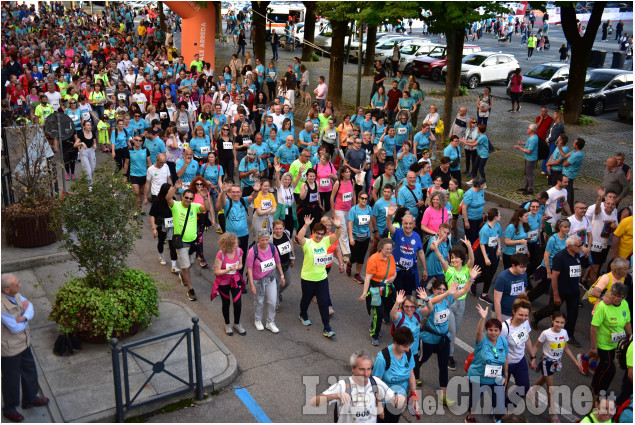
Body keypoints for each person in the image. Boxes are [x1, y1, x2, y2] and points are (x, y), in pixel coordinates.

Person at [1, 273, 49, 423]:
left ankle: (30, 399)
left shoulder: (15, 294)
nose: (20, 286)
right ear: (6, 290)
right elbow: (14, 328)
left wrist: (24, 317)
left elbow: (30, 306)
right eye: (17, 285)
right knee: (11, 380)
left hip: (24, 342)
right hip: (9, 349)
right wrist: (25, 314)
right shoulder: (1, 306)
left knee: (30, 370)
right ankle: (9, 409)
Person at [309, 350, 404, 423]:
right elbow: (313, 402)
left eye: (369, 369)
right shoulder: (343, 385)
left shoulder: (376, 382)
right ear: (353, 369)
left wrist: (399, 400)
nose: (366, 374)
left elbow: (395, 402)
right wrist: (336, 396)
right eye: (362, 369)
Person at [429, 237, 480, 371]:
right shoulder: (449, 270)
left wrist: (469, 246)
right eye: (452, 258)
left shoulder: (466, 270)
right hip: (449, 303)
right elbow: (441, 258)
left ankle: (439, 342)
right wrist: (436, 248)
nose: (453, 260)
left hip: (461, 303)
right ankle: (449, 356)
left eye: (456, 258)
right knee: (451, 331)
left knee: (455, 330)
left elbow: (472, 260)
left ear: (462, 259)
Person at [418, 280, 471, 406]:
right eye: (439, 289)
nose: (441, 292)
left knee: (443, 366)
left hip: (444, 339)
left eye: (443, 289)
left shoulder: (447, 300)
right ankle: (414, 376)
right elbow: (431, 303)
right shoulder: (428, 299)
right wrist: (447, 292)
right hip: (428, 338)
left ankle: (444, 395)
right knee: (421, 360)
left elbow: (463, 291)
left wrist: (471, 279)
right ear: (433, 290)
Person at [530, 311, 584, 423]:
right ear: (552, 320)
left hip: (557, 362)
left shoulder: (564, 332)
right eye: (557, 322)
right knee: (551, 389)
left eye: (562, 322)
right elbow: (535, 346)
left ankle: (532, 391)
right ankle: (553, 415)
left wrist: (576, 363)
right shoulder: (546, 333)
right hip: (547, 362)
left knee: (545, 378)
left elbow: (566, 349)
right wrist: (533, 359)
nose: (559, 325)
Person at [533, 235, 584, 348]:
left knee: (573, 313)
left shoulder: (577, 255)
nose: (581, 247)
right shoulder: (560, 257)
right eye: (579, 245)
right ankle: (536, 316)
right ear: (570, 246)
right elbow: (555, 277)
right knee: (553, 308)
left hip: (574, 290)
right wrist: (556, 295)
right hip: (561, 289)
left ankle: (569, 335)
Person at [297, 215, 342, 338]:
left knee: (323, 302)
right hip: (307, 278)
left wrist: (338, 226)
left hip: (322, 278)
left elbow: (336, 236)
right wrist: (306, 225)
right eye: (317, 233)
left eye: (322, 234)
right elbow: (299, 237)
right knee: (306, 298)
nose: (319, 236)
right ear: (313, 232)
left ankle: (327, 327)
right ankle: (303, 314)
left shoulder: (325, 241)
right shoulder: (308, 243)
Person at [166, 180, 212, 301]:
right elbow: (167, 198)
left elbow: (206, 208)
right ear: (182, 197)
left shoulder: (194, 206)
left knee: (190, 264)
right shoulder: (176, 205)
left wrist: (205, 197)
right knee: (186, 267)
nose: (188, 200)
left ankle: (182, 275)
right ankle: (190, 289)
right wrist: (174, 188)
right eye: (186, 197)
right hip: (181, 243)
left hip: (193, 242)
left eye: (190, 198)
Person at [464, 304, 509, 423]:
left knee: (499, 401)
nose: (493, 333)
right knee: (475, 401)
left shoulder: (503, 341)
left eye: (496, 330)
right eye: (490, 330)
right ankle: (470, 418)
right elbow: (478, 332)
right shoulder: (482, 339)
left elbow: (506, 357)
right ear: (486, 330)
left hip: (495, 377)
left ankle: (498, 418)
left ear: (500, 331)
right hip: (478, 376)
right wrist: (483, 318)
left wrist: (506, 374)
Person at [588, 283, 632, 399]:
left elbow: (627, 322)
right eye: (614, 295)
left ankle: (594, 386)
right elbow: (594, 326)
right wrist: (593, 347)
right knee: (610, 370)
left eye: (620, 296)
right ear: (611, 293)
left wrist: (631, 337)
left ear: (624, 297)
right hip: (603, 344)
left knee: (603, 366)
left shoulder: (625, 305)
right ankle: (598, 394)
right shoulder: (603, 306)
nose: (616, 298)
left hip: (616, 344)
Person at [371, 326, 419, 422]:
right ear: (396, 342)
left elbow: (411, 375)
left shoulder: (408, 355)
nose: (408, 349)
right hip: (385, 403)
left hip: (400, 401)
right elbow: (376, 383)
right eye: (405, 346)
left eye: (409, 345)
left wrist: (414, 394)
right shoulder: (383, 358)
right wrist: (379, 405)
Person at [500, 294, 537, 408]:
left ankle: (507, 405)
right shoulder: (505, 328)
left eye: (526, 315)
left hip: (520, 361)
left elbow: (527, 339)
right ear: (514, 312)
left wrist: (532, 357)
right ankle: (497, 413)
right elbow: (499, 348)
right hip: (506, 363)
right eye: (520, 315)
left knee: (524, 387)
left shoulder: (525, 323)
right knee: (501, 389)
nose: (523, 318)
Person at [359, 238, 397, 346]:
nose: (389, 251)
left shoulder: (391, 257)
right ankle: (375, 335)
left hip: (388, 290)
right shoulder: (373, 259)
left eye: (391, 249)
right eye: (387, 249)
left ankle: (373, 325)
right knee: (379, 313)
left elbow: (394, 272)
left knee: (386, 309)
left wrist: (393, 278)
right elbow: (367, 278)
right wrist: (364, 293)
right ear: (380, 248)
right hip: (376, 290)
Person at [246, 229, 285, 333]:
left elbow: (277, 262)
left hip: (270, 279)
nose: (264, 242)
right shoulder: (252, 251)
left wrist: (281, 276)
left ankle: (270, 322)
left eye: (266, 240)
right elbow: (249, 268)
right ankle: (257, 320)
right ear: (258, 240)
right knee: (259, 301)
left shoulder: (273, 248)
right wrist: (252, 285)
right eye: (262, 240)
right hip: (258, 281)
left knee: (273, 301)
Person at [216, 181, 261, 272]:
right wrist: (223, 192)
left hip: (244, 236)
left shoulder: (243, 201)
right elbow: (223, 201)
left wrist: (256, 191)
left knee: (242, 259)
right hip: (230, 238)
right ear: (230, 193)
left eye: (237, 192)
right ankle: (230, 278)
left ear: (241, 193)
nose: (235, 194)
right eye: (233, 192)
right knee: (230, 259)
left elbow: (252, 197)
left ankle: (239, 280)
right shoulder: (228, 203)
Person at [385, 205, 429, 297]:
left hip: (410, 271)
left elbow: (420, 252)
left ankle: (404, 310)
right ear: (402, 223)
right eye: (405, 223)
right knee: (399, 294)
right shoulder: (397, 232)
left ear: (414, 224)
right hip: (397, 270)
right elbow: (389, 226)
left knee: (408, 295)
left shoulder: (417, 236)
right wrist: (389, 216)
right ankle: (397, 310)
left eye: (410, 223)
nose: (408, 226)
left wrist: (425, 269)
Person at [212, 232, 247, 336]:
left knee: (238, 303)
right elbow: (217, 272)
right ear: (227, 244)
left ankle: (237, 324)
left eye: (236, 243)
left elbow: (241, 265)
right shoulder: (220, 254)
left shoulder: (239, 251)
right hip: (223, 281)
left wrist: (237, 268)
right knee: (226, 303)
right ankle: (227, 324)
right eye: (234, 243)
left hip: (235, 279)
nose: (236, 245)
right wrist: (227, 270)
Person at [472, 208, 503, 301]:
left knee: (491, 273)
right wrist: (486, 258)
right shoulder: (485, 230)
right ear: (495, 217)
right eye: (499, 215)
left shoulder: (497, 225)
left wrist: (499, 248)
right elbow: (482, 244)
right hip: (484, 253)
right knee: (486, 274)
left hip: (494, 252)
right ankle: (473, 282)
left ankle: (484, 294)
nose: (501, 217)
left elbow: (498, 237)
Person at [150, 183, 179, 273]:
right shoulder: (157, 201)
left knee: (172, 244)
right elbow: (152, 215)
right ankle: (161, 256)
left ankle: (174, 266)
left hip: (171, 225)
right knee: (161, 241)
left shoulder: (173, 200)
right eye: (171, 190)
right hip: (161, 224)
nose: (172, 192)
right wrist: (153, 228)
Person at [493, 253, 529, 322]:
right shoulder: (502, 278)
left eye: (525, 266)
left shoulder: (524, 274)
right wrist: (499, 318)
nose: (524, 269)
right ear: (513, 265)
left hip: (517, 313)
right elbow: (496, 300)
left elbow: (523, 294)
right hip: (503, 313)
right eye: (521, 267)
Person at [331, 167, 355, 261]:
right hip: (339, 209)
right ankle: (346, 253)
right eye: (347, 172)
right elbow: (332, 197)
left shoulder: (351, 181)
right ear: (342, 174)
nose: (349, 174)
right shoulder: (338, 183)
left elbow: (353, 194)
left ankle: (337, 245)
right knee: (344, 230)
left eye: (349, 172)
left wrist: (355, 206)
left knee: (348, 229)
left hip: (348, 209)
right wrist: (333, 212)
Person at [348, 192, 372, 284]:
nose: (364, 200)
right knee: (354, 256)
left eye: (366, 198)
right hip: (355, 236)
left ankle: (357, 274)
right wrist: (351, 238)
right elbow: (350, 223)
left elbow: (369, 222)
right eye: (362, 198)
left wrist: (371, 235)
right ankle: (349, 264)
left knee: (361, 256)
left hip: (365, 236)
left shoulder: (369, 209)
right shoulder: (354, 210)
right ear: (358, 198)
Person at [271, 219, 295, 310]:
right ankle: (276, 302)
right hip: (276, 266)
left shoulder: (287, 234)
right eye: (276, 229)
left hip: (286, 263)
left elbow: (291, 245)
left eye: (280, 228)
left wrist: (292, 258)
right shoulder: (271, 240)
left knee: (287, 282)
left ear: (283, 228)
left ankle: (278, 293)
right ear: (273, 229)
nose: (278, 231)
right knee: (276, 284)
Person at [123, 136, 152, 212]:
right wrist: (125, 176)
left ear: (142, 142)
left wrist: (152, 174)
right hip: (134, 175)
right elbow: (126, 164)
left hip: (143, 175)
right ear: (133, 141)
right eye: (136, 140)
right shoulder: (129, 150)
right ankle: (135, 210)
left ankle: (139, 208)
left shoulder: (145, 150)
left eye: (140, 141)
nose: (138, 142)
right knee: (136, 192)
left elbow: (149, 163)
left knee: (142, 192)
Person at [514, 123, 539, 195]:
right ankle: (525, 186)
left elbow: (529, 151)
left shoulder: (533, 139)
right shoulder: (531, 137)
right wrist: (522, 143)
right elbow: (528, 143)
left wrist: (519, 148)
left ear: (531, 130)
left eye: (528, 128)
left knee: (529, 174)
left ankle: (530, 189)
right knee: (526, 172)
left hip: (531, 159)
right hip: (528, 158)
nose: (527, 129)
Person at [462, 177, 487, 245]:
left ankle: (475, 251)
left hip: (479, 218)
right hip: (471, 219)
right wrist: (466, 222)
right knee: (470, 237)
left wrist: (482, 214)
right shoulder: (469, 194)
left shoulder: (482, 191)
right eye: (483, 184)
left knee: (477, 235)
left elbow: (481, 203)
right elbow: (464, 208)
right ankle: (469, 252)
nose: (484, 185)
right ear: (478, 185)